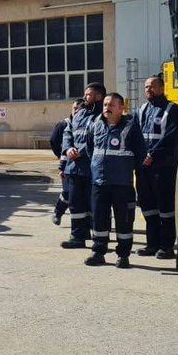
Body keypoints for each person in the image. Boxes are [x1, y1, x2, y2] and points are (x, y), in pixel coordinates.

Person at [84, 92, 147, 268]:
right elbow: (90, 149)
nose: (107, 108)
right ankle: (98, 252)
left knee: (124, 220)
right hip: (99, 182)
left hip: (122, 183)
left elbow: (140, 153)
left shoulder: (131, 127)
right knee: (99, 219)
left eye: (111, 105)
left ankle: (123, 255)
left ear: (121, 108)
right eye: (105, 105)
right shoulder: (95, 124)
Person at [135, 76, 178, 259]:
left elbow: (172, 137)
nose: (148, 89)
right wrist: (141, 156)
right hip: (143, 167)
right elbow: (134, 135)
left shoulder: (175, 110)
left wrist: (153, 155)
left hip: (163, 167)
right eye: (146, 87)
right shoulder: (141, 110)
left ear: (162, 88)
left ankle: (166, 247)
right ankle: (151, 244)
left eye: (152, 86)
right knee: (148, 207)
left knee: (165, 208)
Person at [60, 83, 106, 248]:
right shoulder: (79, 113)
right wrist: (68, 149)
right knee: (75, 204)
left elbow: (101, 138)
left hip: (93, 169)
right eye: (85, 94)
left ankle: (99, 239)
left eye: (89, 95)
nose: (85, 97)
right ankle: (77, 236)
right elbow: (68, 132)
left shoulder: (104, 115)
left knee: (95, 205)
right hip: (74, 167)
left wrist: (82, 151)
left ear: (99, 96)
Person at [49, 99, 85, 225]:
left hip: (83, 166)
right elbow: (54, 141)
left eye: (79, 109)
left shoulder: (87, 123)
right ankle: (58, 213)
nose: (76, 111)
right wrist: (61, 159)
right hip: (67, 164)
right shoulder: (64, 124)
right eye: (74, 108)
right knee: (68, 192)